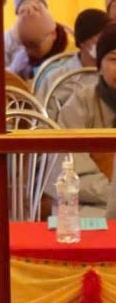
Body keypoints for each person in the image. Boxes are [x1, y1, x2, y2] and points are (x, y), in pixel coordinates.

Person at [59, 23, 116, 217]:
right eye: (114, 59)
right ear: (99, 67)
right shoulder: (79, 105)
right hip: (91, 204)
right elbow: (72, 173)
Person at [36, 8, 109, 105]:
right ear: (83, 41)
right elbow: (39, 112)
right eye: (101, 38)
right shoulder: (55, 80)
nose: (107, 43)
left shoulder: (112, 76)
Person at [9, 0, 69, 80]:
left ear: (53, 34)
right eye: (27, 47)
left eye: (36, 45)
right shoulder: (23, 59)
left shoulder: (70, 55)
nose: (31, 52)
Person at [4, 0, 49, 66]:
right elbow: (1, 70)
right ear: (18, 13)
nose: (31, 11)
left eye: (36, 6)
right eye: (25, 6)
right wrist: (15, 67)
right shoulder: (7, 39)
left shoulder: (54, 34)